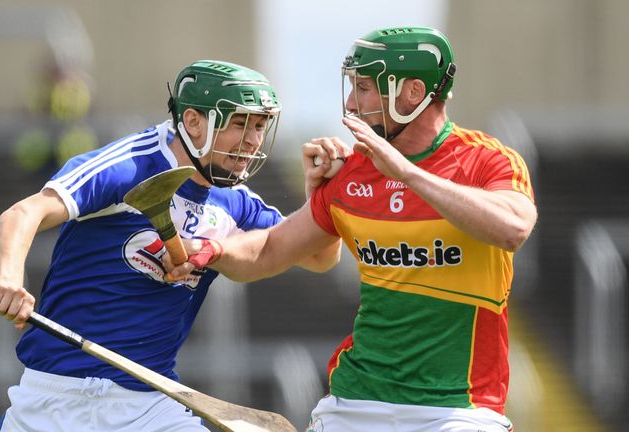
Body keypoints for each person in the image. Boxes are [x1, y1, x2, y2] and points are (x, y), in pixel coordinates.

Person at [170, 27, 538, 432]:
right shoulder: (354, 173)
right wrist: (215, 249)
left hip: (459, 410)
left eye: (363, 88)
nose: (349, 103)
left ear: (413, 92)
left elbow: (514, 227)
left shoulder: (487, 161)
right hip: (356, 400)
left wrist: (407, 173)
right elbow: (272, 249)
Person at [0, 59, 341, 432]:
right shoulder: (130, 165)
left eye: (259, 126)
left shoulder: (234, 201)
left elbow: (320, 255)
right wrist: (8, 278)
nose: (253, 140)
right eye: (240, 124)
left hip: (149, 406)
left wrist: (318, 196)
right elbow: (23, 214)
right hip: (52, 400)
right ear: (193, 122)